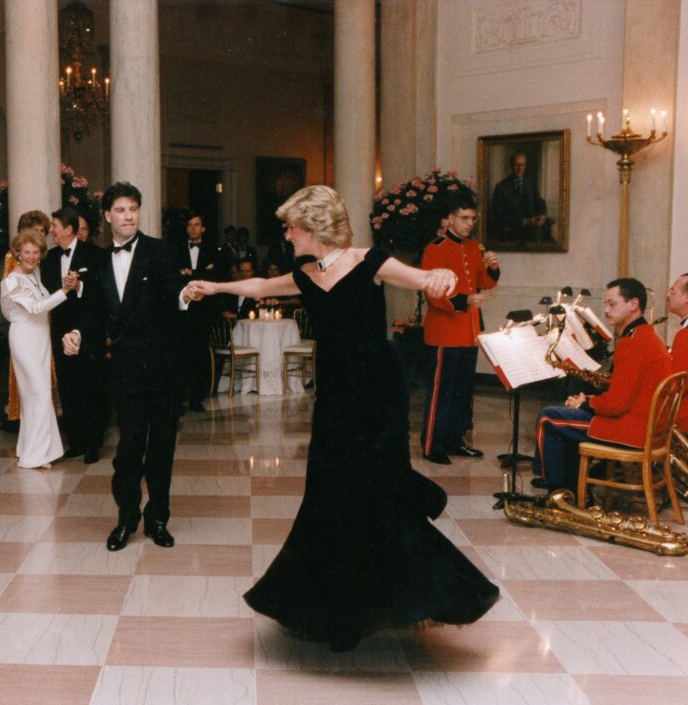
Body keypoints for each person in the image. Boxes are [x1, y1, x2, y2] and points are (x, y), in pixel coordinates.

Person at [189, 184, 498, 652]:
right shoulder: (304, 273)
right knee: (330, 495)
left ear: (313, 226)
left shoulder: (368, 261)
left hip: (378, 397)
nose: (287, 235)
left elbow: (422, 277)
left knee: (377, 492)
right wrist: (215, 286)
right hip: (334, 401)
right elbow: (257, 287)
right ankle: (336, 607)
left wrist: (440, 279)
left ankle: (404, 593)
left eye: (292, 227)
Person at [63, 182, 194, 552]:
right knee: (129, 447)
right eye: (121, 210)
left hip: (161, 365)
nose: (129, 216)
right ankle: (126, 519)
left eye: (134, 209)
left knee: (162, 446)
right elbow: (92, 315)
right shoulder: (99, 261)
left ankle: (158, 519)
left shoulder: (161, 251)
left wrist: (185, 295)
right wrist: (76, 333)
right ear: (107, 216)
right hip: (123, 368)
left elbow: (174, 293)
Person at [531, 278, 673, 490]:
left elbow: (616, 405)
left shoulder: (633, 343)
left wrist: (586, 404)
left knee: (547, 417)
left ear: (633, 304)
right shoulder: (647, 335)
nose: (606, 310)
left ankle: (557, 491)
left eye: (612, 304)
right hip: (649, 427)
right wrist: (587, 400)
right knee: (564, 417)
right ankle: (573, 488)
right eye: (606, 304)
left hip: (633, 430)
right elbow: (623, 395)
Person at [420, 189, 501, 465]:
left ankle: (456, 440)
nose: (469, 223)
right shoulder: (435, 249)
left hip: (469, 332)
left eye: (472, 219)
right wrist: (465, 300)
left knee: (463, 392)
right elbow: (432, 292)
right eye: (464, 218)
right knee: (441, 391)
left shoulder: (473, 248)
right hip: (444, 331)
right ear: (450, 220)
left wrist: (493, 267)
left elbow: (486, 283)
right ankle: (432, 446)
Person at [1, 228, 78, 468]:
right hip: (24, 339)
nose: (32, 257)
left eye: (36, 252)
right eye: (27, 252)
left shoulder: (34, 276)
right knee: (40, 395)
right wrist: (65, 291)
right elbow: (36, 308)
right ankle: (36, 456)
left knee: (36, 396)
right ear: (18, 253)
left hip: (41, 339)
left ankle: (30, 449)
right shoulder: (11, 280)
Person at [41, 207, 107, 463]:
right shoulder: (50, 258)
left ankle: (93, 444)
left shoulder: (95, 254)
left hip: (88, 330)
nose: (51, 230)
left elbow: (102, 293)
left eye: (54, 226)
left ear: (68, 229)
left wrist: (78, 286)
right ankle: (76, 442)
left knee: (91, 386)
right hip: (60, 329)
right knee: (68, 387)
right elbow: (47, 291)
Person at [177, 212, 226, 412]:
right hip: (183, 310)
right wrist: (201, 273)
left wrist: (192, 274)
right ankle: (179, 400)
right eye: (190, 225)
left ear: (203, 228)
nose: (193, 228)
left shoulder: (214, 250)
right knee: (181, 355)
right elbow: (176, 276)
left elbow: (216, 277)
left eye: (197, 225)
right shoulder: (177, 250)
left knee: (200, 355)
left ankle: (197, 398)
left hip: (205, 311)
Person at [489, 150, 550, 243]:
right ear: (511, 165)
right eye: (516, 165)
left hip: (532, 231)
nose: (519, 169)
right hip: (513, 231)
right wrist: (525, 222)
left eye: (522, 165)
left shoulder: (530, 183)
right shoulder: (502, 187)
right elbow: (499, 216)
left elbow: (540, 202)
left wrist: (542, 216)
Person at [668, 273, 688, 435]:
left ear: (687, 297)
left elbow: (679, 385)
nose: (667, 296)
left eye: (672, 291)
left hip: (687, 414)